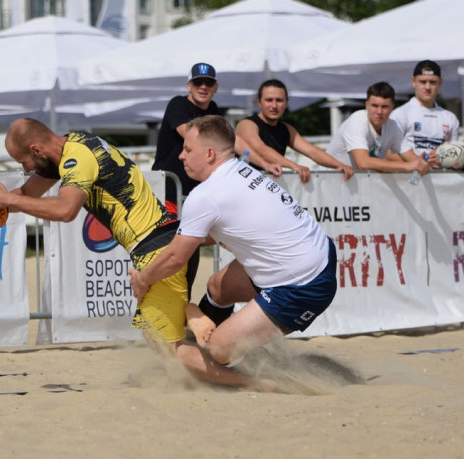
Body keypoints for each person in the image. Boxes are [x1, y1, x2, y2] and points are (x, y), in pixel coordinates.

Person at [0, 117, 270, 391]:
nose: (26, 170)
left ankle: (255, 383)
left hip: (157, 251)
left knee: (169, 349)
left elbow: (65, 210)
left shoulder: (77, 159)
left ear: (36, 149)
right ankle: (192, 316)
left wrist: (9, 200)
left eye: (24, 162)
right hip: (165, 241)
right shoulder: (74, 144)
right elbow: (28, 194)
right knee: (161, 337)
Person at [130, 115, 338, 392]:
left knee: (218, 350)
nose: (180, 156)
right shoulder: (241, 170)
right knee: (217, 287)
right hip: (316, 254)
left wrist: (143, 279)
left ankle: (240, 374)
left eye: (188, 149)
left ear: (210, 153)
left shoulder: (205, 195)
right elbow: (203, 237)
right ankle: (205, 343)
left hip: (302, 285)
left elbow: (176, 258)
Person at [151, 62, 224, 298]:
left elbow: (224, 147)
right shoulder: (178, 104)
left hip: (193, 195)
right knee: (168, 255)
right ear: (188, 85)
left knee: (188, 254)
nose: (203, 86)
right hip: (168, 192)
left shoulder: (214, 110)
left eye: (208, 82)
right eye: (198, 82)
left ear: (215, 87)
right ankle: (162, 321)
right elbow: (191, 137)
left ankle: (179, 318)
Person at [236, 78, 354, 183]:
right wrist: (295, 166)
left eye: (279, 100)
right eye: (269, 100)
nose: (274, 105)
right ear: (259, 102)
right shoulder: (247, 124)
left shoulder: (286, 129)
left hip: (267, 187)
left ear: (287, 102)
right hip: (243, 185)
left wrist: (340, 165)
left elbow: (313, 152)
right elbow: (261, 150)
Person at [325, 82, 430, 177]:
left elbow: (413, 160)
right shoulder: (357, 121)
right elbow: (363, 163)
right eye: (375, 106)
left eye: (384, 107)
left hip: (353, 183)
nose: (379, 112)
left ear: (392, 107)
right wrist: (406, 166)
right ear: (366, 105)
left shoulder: (392, 126)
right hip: (328, 182)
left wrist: (425, 162)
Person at [390, 59, 460, 167]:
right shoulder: (400, 114)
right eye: (423, 82)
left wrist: (443, 159)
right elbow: (388, 154)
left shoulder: (450, 118)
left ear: (440, 83)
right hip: (408, 180)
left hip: (440, 180)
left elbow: (455, 157)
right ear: (413, 82)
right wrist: (421, 162)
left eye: (432, 82)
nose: (427, 87)